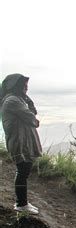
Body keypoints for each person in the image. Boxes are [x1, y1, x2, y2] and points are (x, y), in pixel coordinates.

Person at [1, 74, 42, 214]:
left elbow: (32, 112)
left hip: (22, 140)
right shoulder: (12, 100)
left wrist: (27, 100)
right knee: (22, 170)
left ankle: (23, 202)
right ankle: (21, 204)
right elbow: (30, 117)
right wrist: (35, 121)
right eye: (24, 85)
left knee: (24, 170)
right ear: (15, 86)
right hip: (19, 141)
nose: (26, 88)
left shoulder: (18, 99)